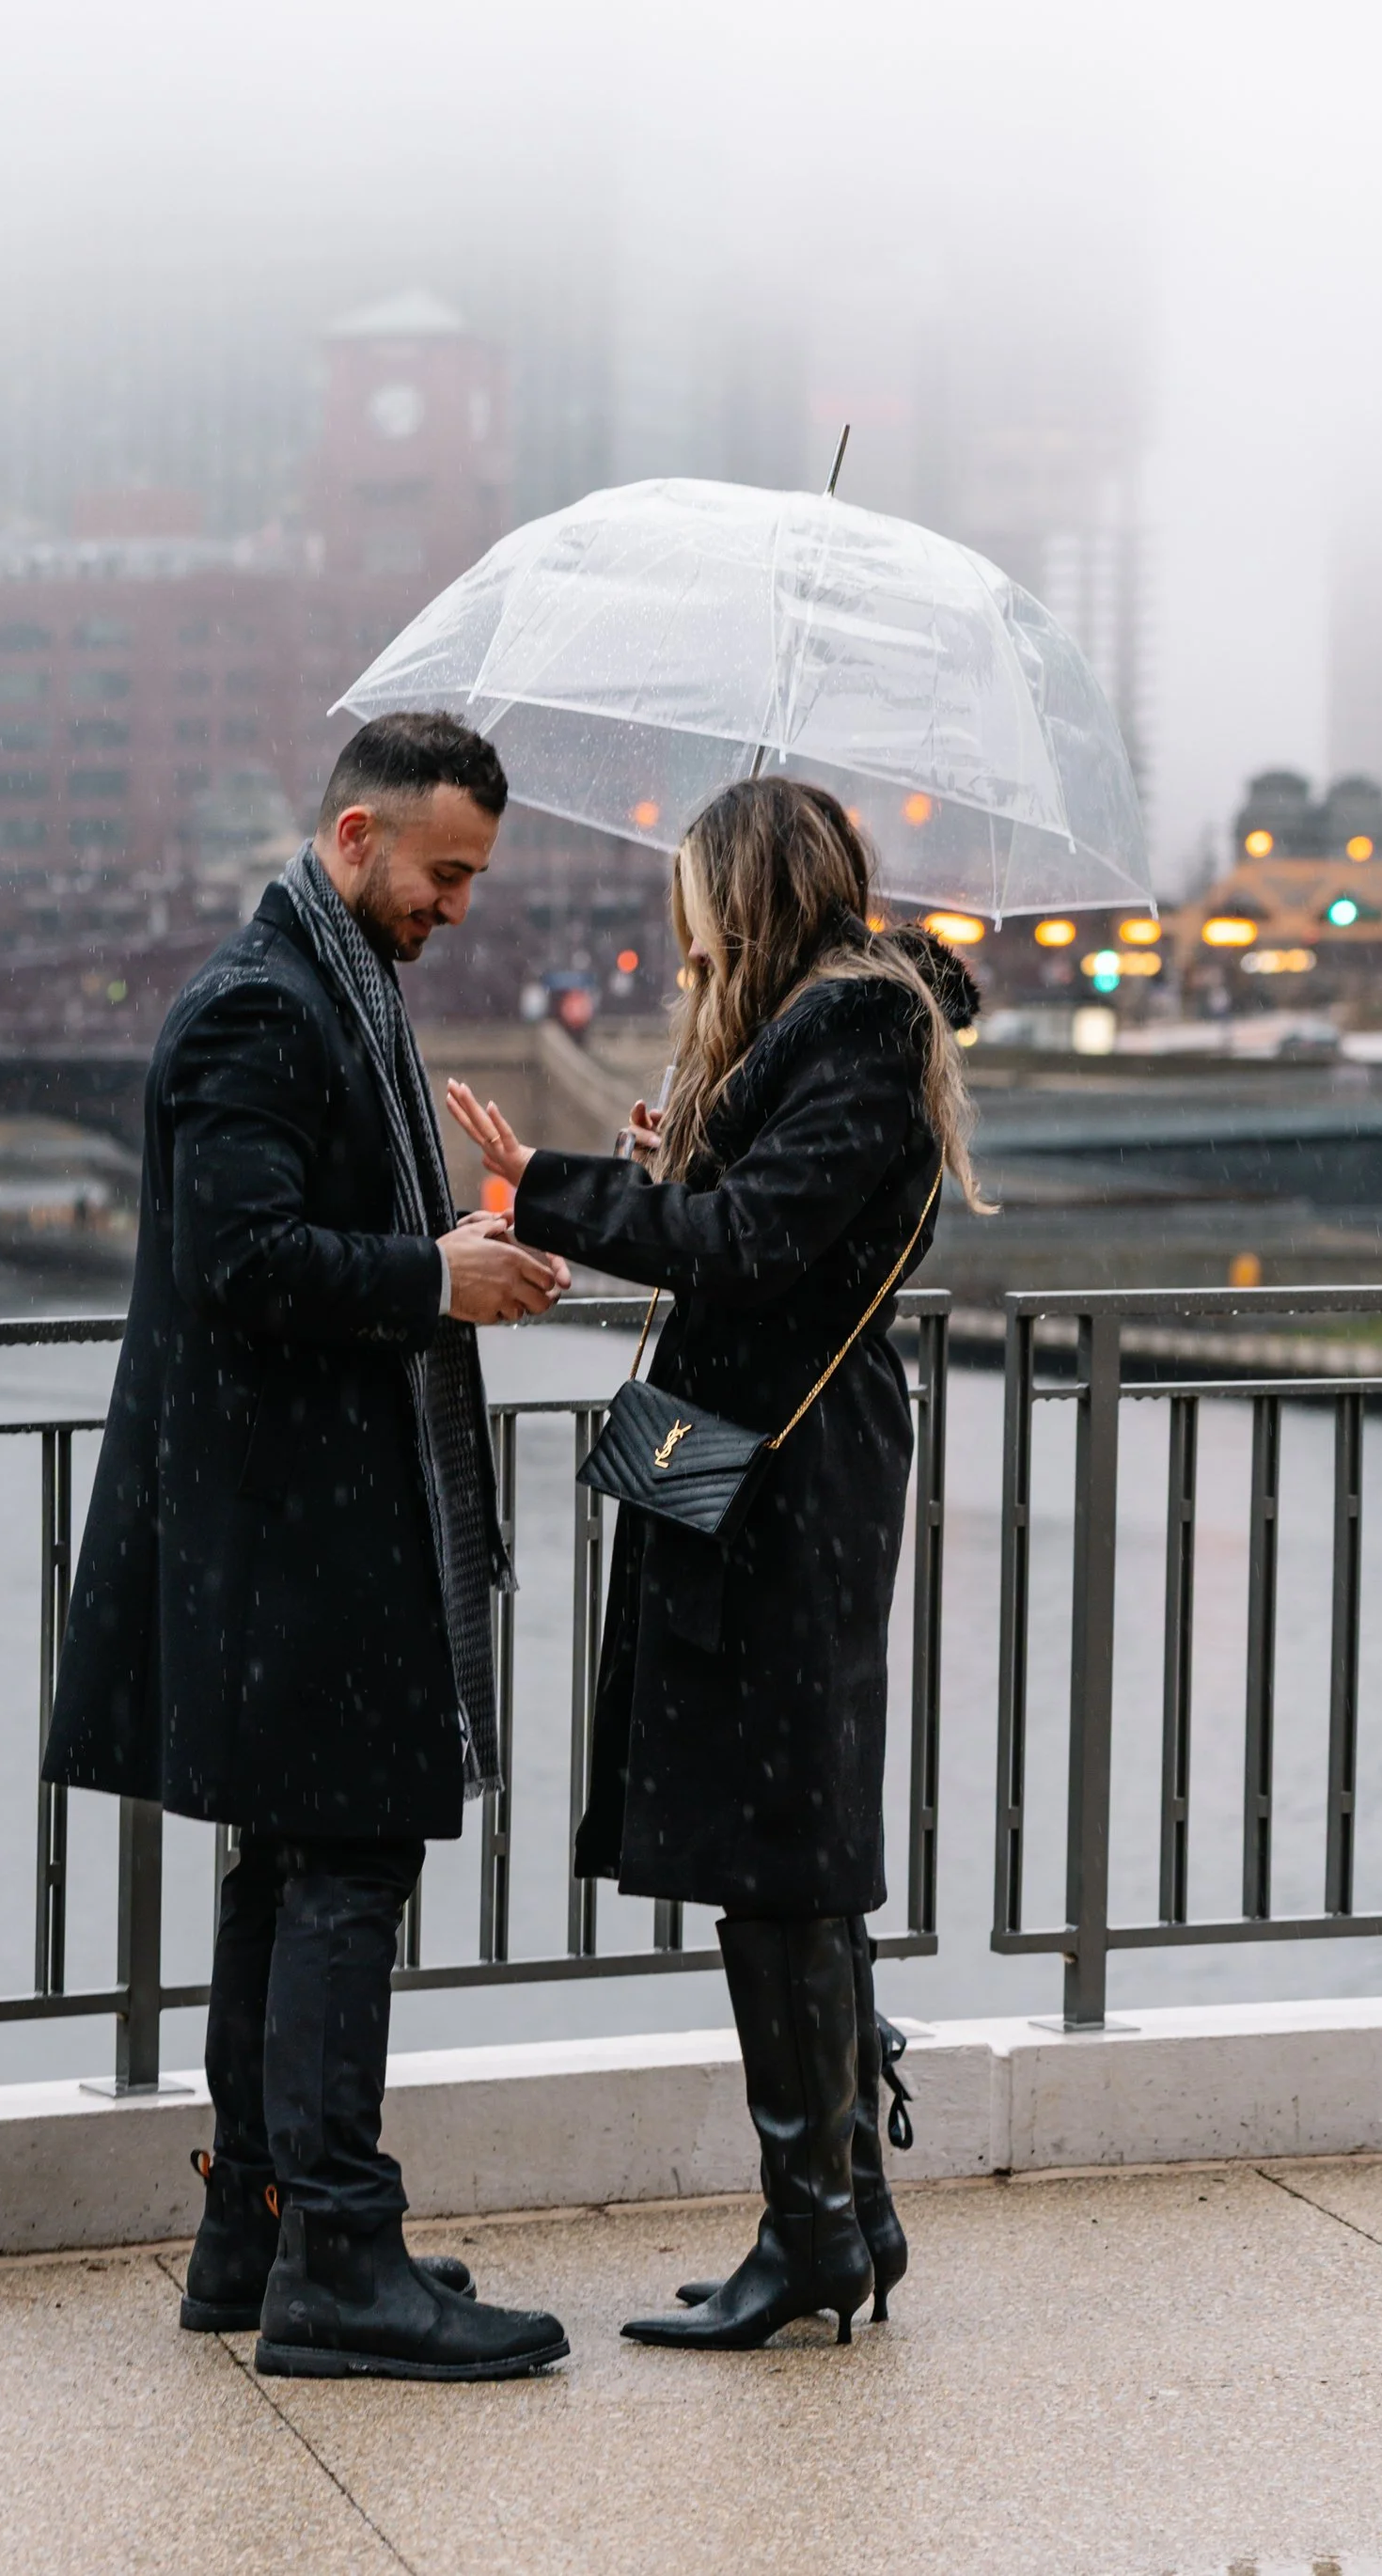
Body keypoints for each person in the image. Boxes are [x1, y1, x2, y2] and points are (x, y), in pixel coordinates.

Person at [43, 711, 573, 2382]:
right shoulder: (266, 1011)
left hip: (293, 1524)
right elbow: (244, 1263)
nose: (458, 906)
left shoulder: (313, 990)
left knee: (287, 1877)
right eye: (443, 872)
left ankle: (257, 2235)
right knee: (343, 1874)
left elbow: (293, 1246)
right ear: (356, 841)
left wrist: (452, 1251)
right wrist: (436, 1280)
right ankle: (337, 2258)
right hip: (303, 1539)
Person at [447, 774, 984, 2352]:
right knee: (770, 1825)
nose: (680, 932)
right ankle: (840, 2209)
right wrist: (672, 1153)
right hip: (740, 1453)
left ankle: (814, 2229)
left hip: (785, 1472)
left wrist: (551, 1186)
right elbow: (754, 1221)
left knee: (782, 1838)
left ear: (745, 890)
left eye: (695, 901)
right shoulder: (814, 1034)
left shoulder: (861, 1033)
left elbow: (753, 1242)